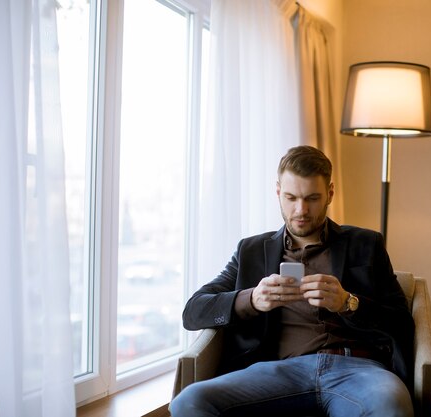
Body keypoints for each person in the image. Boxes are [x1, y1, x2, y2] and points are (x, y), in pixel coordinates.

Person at [170, 146, 415, 417]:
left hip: (358, 369)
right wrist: (250, 299)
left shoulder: (366, 244)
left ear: (330, 194)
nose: (301, 210)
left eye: (312, 198)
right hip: (278, 372)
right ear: (278, 192)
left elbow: (401, 321)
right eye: (291, 197)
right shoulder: (250, 251)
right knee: (188, 402)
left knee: (391, 406)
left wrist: (349, 302)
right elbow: (193, 312)